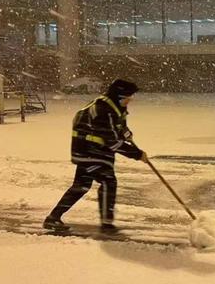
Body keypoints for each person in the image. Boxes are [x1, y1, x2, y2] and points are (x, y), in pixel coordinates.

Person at [43, 78, 147, 232]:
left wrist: (126, 134)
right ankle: (106, 224)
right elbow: (112, 142)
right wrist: (136, 154)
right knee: (107, 182)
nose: (129, 101)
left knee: (82, 186)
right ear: (119, 96)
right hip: (90, 151)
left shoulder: (113, 107)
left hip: (93, 151)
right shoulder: (103, 109)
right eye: (128, 98)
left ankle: (53, 218)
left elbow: (118, 126)